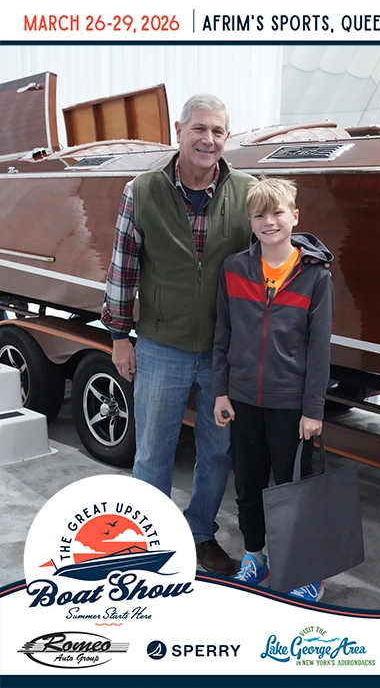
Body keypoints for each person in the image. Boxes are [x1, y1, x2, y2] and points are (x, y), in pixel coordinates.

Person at [101, 93, 256, 575]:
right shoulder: (142, 190)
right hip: (161, 345)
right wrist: (119, 336)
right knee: (152, 451)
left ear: (227, 137)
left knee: (217, 451)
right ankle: (148, 541)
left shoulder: (248, 191)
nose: (208, 140)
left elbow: (274, 251)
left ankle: (200, 534)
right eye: (199, 129)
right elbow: (123, 266)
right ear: (179, 130)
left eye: (218, 131)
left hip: (222, 352)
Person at [212, 177, 334, 601]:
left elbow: (319, 348)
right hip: (243, 398)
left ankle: (305, 568)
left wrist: (313, 409)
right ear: (250, 222)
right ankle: (255, 557)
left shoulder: (315, 277)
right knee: (248, 484)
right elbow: (223, 334)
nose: (269, 221)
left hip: (290, 405)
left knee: (293, 488)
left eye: (277, 212)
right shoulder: (234, 269)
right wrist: (221, 391)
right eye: (260, 214)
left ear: (294, 217)